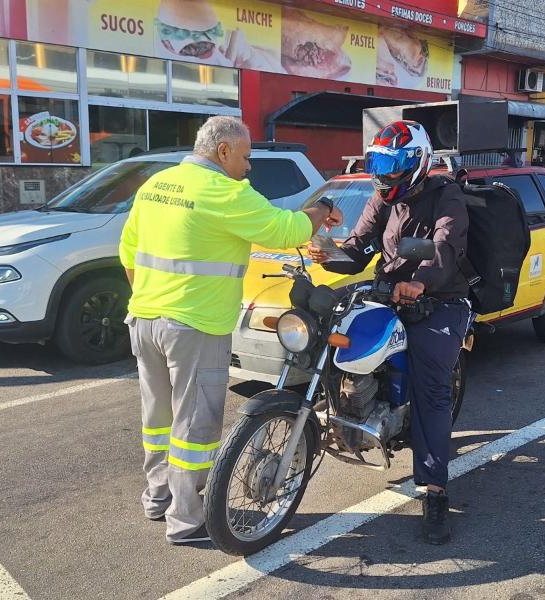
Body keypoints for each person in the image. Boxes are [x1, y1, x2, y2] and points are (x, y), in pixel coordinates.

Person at [119, 116, 343, 545]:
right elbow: (286, 229)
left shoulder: (157, 186)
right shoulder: (224, 191)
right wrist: (322, 210)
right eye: (245, 157)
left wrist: (151, 300)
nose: (248, 166)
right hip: (194, 327)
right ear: (223, 152)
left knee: (157, 418)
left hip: (144, 319)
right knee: (194, 427)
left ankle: (157, 497)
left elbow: (127, 251)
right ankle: (186, 521)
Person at [307, 121, 472, 545]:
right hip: (389, 291)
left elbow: (445, 246)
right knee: (335, 338)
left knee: (431, 386)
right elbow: (361, 245)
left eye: (395, 164)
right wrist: (327, 254)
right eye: (380, 162)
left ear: (417, 163)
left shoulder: (445, 194)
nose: (386, 173)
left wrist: (421, 281)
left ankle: (435, 491)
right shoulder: (383, 198)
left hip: (441, 299)